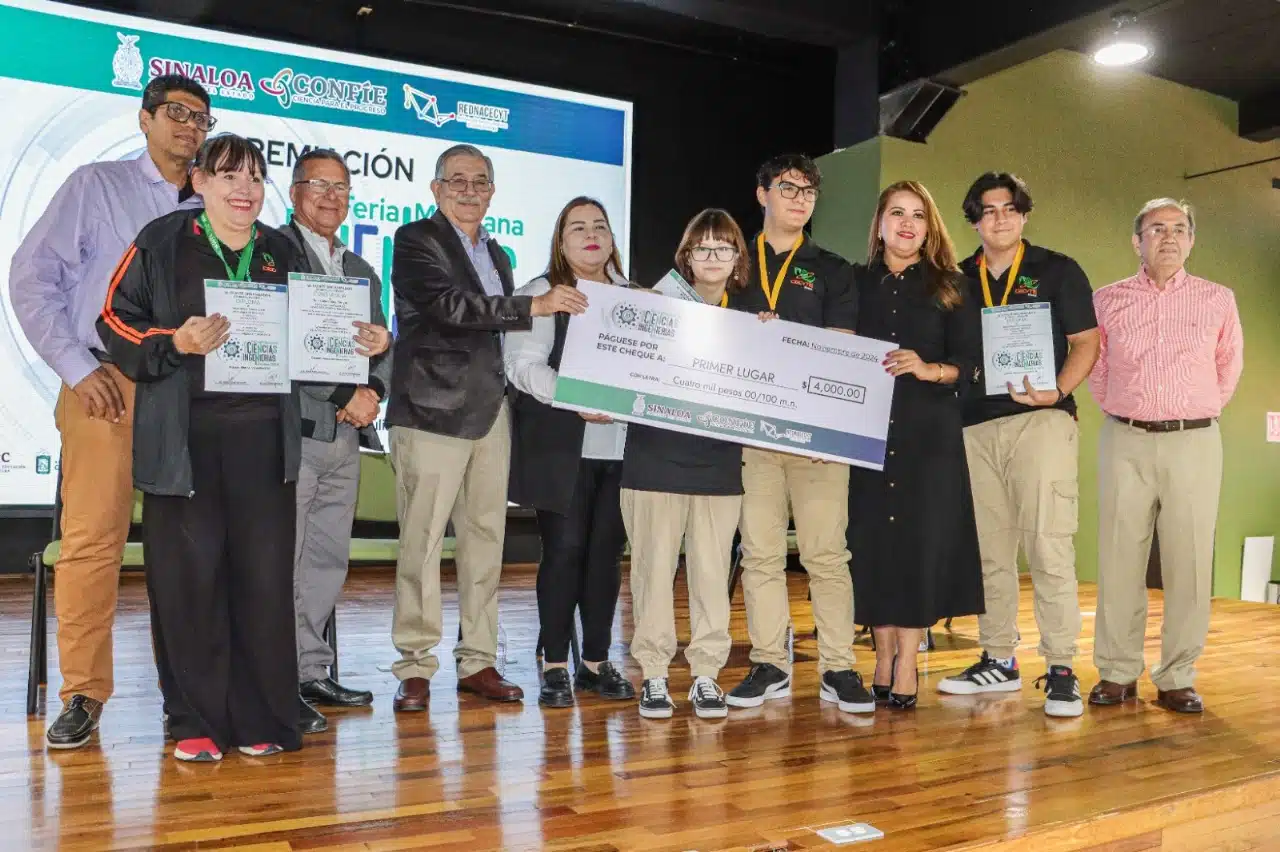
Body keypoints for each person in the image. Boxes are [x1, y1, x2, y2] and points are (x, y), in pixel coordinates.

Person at [9, 74, 212, 749]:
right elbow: (31, 279)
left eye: (202, 119)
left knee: (191, 547)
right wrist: (75, 366)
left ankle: (192, 690)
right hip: (109, 382)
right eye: (178, 114)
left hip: (194, 392)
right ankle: (83, 693)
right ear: (145, 118)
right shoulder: (96, 186)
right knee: (94, 543)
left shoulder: (215, 202)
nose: (190, 127)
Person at [97, 134, 302, 761]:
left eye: (256, 177)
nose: (245, 189)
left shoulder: (283, 249)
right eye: (230, 176)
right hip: (184, 445)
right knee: (189, 584)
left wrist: (361, 347)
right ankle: (193, 720)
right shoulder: (162, 240)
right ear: (201, 182)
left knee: (264, 584)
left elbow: (316, 337)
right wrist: (174, 343)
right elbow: (112, 320)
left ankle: (261, 714)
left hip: (264, 445)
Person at [387, 144, 587, 710]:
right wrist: (535, 307)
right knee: (421, 547)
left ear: (493, 191)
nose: (469, 190)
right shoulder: (415, 240)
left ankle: (479, 660)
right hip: (430, 414)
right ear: (435, 189)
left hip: (491, 415)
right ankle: (416, 665)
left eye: (480, 181)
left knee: (485, 545)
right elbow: (451, 307)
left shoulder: (497, 254)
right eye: (457, 181)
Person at [938, 173, 1099, 718]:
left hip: (1042, 422)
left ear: (1024, 215)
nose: (999, 219)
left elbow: (1086, 342)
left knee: (1049, 544)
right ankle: (998, 659)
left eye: (1009, 209)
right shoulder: (958, 279)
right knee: (990, 551)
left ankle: (1060, 667)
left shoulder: (1058, 270)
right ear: (975, 220)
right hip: (975, 428)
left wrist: (1060, 389)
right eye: (987, 211)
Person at [725, 154, 871, 715]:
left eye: (809, 191)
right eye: (788, 188)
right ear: (763, 194)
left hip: (817, 437)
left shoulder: (832, 268)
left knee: (827, 555)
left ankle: (838, 665)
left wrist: (781, 339)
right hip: (751, 434)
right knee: (760, 554)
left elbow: (839, 345)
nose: (800, 199)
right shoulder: (734, 263)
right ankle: (769, 663)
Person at [1087, 198, 1242, 715]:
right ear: (1138, 241)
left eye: (1179, 229)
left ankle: (1177, 675)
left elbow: (1228, 366)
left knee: (1190, 562)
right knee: (1117, 557)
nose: (1169, 237)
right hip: (1124, 438)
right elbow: (1097, 364)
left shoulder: (1218, 299)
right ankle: (1116, 672)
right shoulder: (1106, 300)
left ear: (1192, 240)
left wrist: (1191, 411)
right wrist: (1122, 408)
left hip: (1195, 441)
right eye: (1157, 229)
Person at [847, 180, 984, 710]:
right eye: (896, 213)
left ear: (930, 228)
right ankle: (879, 657)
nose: (907, 224)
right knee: (874, 546)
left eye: (919, 216)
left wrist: (931, 369)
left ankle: (907, 659)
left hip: (930, 436)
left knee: (917, 547)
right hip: (867, 434)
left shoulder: (953, 286)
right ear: (878, 223)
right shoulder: (854, 283)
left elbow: (975, 366)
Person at [279, 150, 393, 734]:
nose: (330, 197)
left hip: (346, 436)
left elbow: (380, 343)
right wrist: (339, 393)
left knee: (326, 558)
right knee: (284, 559)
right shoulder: (271, 255)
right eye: (318, 185)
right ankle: (277, 681)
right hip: (292, 432)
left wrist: (371, 388)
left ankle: (310, 670)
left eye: (341, 188)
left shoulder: (363, 271)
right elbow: (278, 344)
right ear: (294, 191)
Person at [506, 197, 635, 709]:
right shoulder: (540, 294)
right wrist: (574, 397)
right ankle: (555, 661)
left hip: (623, 447)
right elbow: (521, 366)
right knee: (564, 552)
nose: (590, 235)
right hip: (562, 448)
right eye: (577, 227)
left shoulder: (637, 298)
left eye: (599, 226)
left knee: (606, 556)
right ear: (560, 241)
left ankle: (597, 662)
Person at [623, 209, 749, 720]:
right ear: (686, 257)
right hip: (654, 458)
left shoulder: (753, 322)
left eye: (724, 247)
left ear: (738, 259)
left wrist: (768, 340)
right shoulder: (652, 306)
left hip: (718, 466)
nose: (714, 257)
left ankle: (705, 676)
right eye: (703, 247)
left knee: (712, 574)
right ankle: (653, 676)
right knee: (652, 572)